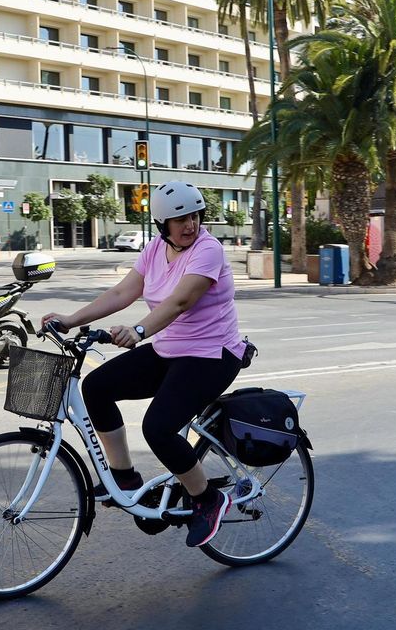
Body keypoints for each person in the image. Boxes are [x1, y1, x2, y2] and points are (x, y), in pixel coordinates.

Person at [40, 182, 244, 548]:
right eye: (180, 219)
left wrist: (139, 330)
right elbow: (121, 293)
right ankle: (126, 478)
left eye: (195, 216)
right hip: (170, 350)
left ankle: (207, 499)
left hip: (212, 355)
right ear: (162, 224)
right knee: (97, 387)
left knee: (159, 428)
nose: (190, 225)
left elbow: (180, 301)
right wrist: (70, 320)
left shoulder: (208, 251)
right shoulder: (154, 250)